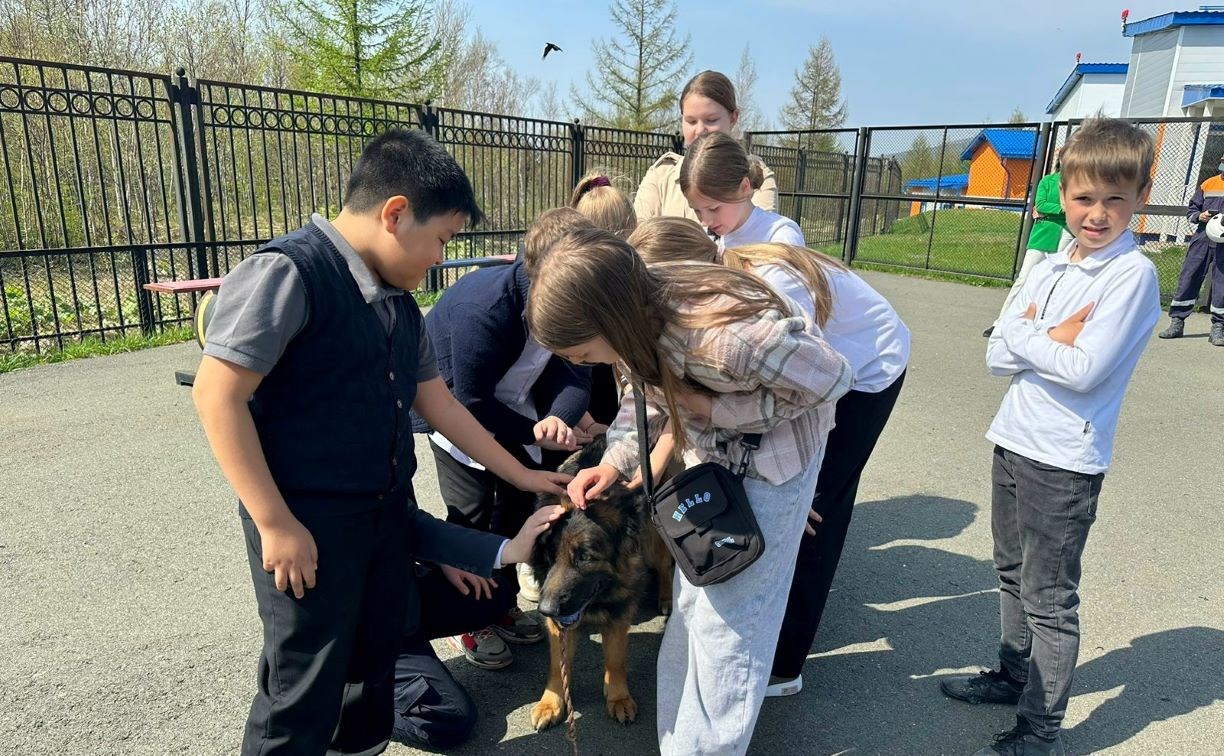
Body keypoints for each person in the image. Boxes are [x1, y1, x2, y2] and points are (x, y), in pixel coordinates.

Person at [191, 128, 569, 756]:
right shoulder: (288, 274)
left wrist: (525, 475)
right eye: (442, 240)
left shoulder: (397, 303)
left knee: (371, 673)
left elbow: (439, 403)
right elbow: (217, 396)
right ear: (395, 214)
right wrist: (274, 521)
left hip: (384, 516)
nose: (440, 260)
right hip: (305, 527)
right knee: (304, 685)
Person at [527, 226, 853, 755]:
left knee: (732, 630)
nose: (586, 366)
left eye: (584, 352)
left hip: (771, 470)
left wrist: (719, 411)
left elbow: (833, 379)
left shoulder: (729, 340)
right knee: (695, 603)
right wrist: (613, 462)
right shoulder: (635, 326)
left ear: (610, 319)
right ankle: (681, 743)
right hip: (711, 464)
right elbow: (646, 400)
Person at [942, 118, 1162, 756]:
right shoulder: (1053, 259)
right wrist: (1050, 336)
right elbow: (997, 354)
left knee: (1049, 596)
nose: (1097, 214)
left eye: (1115, 200)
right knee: (1010, 572)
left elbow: (1086, 368)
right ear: (1062, 195)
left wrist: (1030, 338)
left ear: (1140, 197)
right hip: (1014, 436)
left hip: (1065, 457)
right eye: (1084, 198)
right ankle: (1014, 676)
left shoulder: (1131, 276)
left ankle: (1040, 730)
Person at [627, 217, 911, 698]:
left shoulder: (760, 304)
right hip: (814, 376)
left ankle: (785, 662)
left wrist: (794, 493)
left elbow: (816, 388)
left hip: (866, 370)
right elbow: (697, 403)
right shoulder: (706, 308)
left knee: (817, 514)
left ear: (683, 285)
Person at [411, 209, 598, 671]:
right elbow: (469, 404)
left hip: (515, 415)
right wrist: (533, 436)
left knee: (518, 511)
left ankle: (501, 605)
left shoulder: (561, 305)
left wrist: (558, 417)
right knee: (472, 517)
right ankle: (469, 619)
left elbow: (576, 370)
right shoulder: (485, 309)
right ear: (537, 274)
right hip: (459, 424)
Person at [634, 70, 777, 222]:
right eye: (691, 121)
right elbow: (639, 235)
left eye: (711, 120)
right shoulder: (662, 175)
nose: (700, 131)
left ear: (733, 118)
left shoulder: (756, 175)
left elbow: (761, 239)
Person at [984, 154, 1068, 337]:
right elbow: (1041, 204)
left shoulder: (1079, 182)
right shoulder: (1047, 181)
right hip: (1042, 234)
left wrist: (1053, 211)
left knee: (1056, 284)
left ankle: (1042, 328)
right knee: (1024, 279)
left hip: (1066, 234)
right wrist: (1062, 209)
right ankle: (1000, 323)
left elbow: (1077, 208)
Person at [679, 131, 803, 248]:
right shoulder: (708, 240)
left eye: (714, 208)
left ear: (744, 187)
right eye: (697, 211)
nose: (705, 221)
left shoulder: (779, 237)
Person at [1157, 152, 1224, 346]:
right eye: (1222, 162)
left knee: (1222, 284)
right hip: (1202, 237)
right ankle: (1177, 322)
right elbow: (1192, 210)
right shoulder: (1207, 184)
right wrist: (1199, 216)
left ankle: (1218, 328)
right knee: (1189, 276)